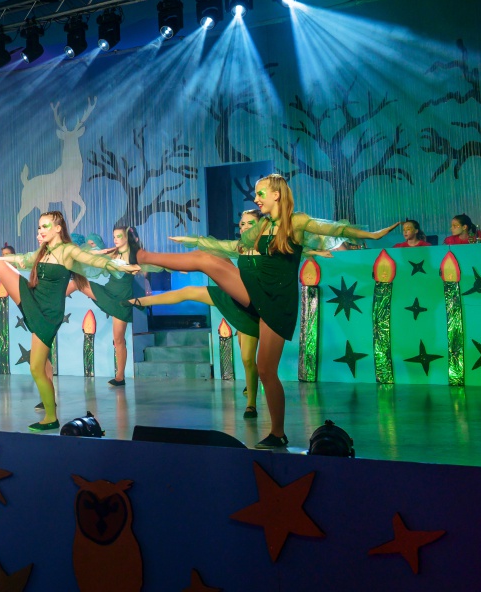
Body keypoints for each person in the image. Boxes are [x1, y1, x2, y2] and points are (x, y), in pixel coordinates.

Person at [135, 174, 399, 449]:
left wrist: (371, 235)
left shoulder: (296, 222)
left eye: (260, 193)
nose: (256, 199)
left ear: (277, 194)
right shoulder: (262, 226)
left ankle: (278, 433)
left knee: (266, 370)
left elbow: (334, 229)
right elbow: (230, 247)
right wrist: (195, 241)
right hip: (254, 288)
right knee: (205, 259)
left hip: (277, 302)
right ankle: (145, 256)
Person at [0, 210, 137, 432]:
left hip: (48, 313)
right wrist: (1, 258)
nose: (40, 230)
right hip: (34, 298)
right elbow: (21, 260)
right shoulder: (43, 252)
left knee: (36, 367)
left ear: (58, 228)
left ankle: (51, 417)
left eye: (45, 226)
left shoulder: (68, 250)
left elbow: (93, 260)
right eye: (39, 227)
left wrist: (124, 266)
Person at [130, 211, 263, 417]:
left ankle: (251, 403)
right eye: (242, 224)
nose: (244, 227)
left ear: (261, 225)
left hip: (254, 304)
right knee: (190, 289)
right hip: (235, 296)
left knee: (247, 358)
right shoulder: (240, 247)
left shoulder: (267, 248)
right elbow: (214, 247)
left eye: (250, 223)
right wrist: (190, 244)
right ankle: (140, 300)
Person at [66, 225, 146, 387]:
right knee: (76, 283)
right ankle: (50, 301)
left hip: (122, 300)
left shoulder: (136, 255)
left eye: (118, 236)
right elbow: (93, 255)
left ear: (127, 238)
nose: (115, 240)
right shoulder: (113, 252)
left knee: (118, 339)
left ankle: (120, 377)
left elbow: (143, 269)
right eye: (114, 236)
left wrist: (131, 267)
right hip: (107, 292)